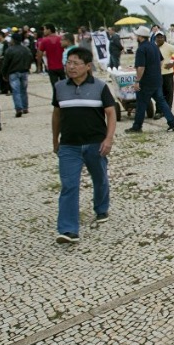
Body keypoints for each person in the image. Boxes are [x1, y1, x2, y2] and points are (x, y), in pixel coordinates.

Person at [51, 47, 116, 244]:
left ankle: (101, 207)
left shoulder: (100, 87)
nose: (71, 67)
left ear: (88, 66)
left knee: (100, 178)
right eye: (68, 63)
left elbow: (111, 113)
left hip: (95, 144)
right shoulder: (59, 87)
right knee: (69, 185)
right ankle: (68, 229)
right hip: (69, 145)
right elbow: (57, 115)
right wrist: (55, 140)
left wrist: (108, 139)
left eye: (76, 63)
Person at [124, 26, 174, 133]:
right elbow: (161, 61)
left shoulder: (141, 49)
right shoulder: (154, 46)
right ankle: (172, 123)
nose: (136, 37)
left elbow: (141, 67)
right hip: (157, 79)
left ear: (140, 37)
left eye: (137, 35)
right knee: (162, 102)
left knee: (141, 104)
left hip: (146, 82)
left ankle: (137, 127)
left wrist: (137, 81)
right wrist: (155, 70)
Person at [0, 33, 33, 117]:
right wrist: (28, 67)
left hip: (13, 72)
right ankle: (25, 107)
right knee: (23, 90)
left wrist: (4, 74)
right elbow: (30, 58)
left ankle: (19, 108)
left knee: (16, 91)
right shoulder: (26, 49)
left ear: (13, 40)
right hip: (24, 71)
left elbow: (5, 64)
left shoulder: (9, 50)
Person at [154, 32, 174, 118]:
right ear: (155, 39)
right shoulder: (154, 46)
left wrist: (173, 63)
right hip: (157, 74)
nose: (159, 39)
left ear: (164, 38)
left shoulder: (168, 46)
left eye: (161, 37)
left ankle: (167, 110)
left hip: (167, 73)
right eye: (158, 37)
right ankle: (159, 111)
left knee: (168, 93)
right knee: (158, 94)